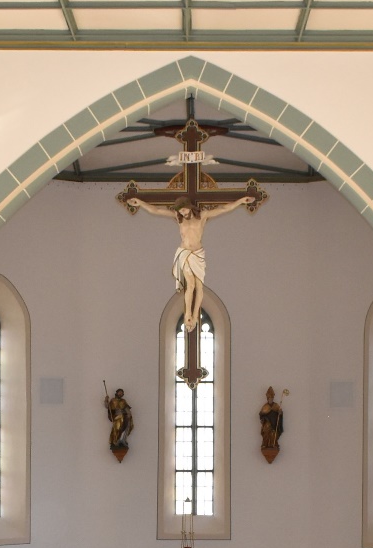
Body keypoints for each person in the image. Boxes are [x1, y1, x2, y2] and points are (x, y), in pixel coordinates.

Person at [124, 193, 255, 381]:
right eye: (180, 210)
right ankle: (188, 315)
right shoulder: (178, 219)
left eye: (184, 209)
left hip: (198, 254)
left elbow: (224, 208)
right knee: (190, 285)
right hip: (185, 253)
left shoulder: (203, 216)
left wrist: (242, 201)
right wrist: (141, 203)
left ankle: (195, 314)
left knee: (200, 287)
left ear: (190, 207)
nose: (183, 213)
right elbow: (157, 210)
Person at [105, 387, 133, 452]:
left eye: (121, 393)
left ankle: (123, 440)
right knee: (117, 428)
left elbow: (127, 409)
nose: (120, 394)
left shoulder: (123, 401)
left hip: (124, 416)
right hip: (117, 416)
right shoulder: (113, 400)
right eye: (119, 392)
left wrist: (129, 414)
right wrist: (106, 400)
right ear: (116, 393)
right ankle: (115, 441)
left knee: (128, 425)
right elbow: (107, 407)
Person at [259, 387, 284, 456]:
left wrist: (280, 413)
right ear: (267, 399)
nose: (271, 400)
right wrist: (263, 419)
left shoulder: (276, 405)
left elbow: (280, 413)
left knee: (274, 434)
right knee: (266, 432)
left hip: (274, 423)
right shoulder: (265, 406)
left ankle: (274, 444)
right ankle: (265, 444)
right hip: (267, 423)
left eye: (272, 398)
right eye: (269, 398)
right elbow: (261, 414)